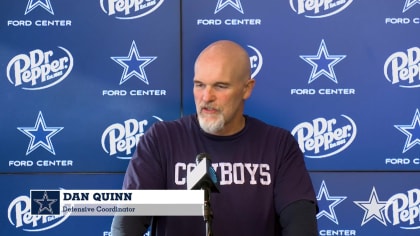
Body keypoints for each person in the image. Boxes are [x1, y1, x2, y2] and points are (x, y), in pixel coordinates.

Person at [111, 40, 318, 236]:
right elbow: (126, 225)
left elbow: (301, 226)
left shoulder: (279, 145)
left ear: (247, 88)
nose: (206, 97)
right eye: (199, 84)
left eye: (220, 86)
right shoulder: (160, 140)